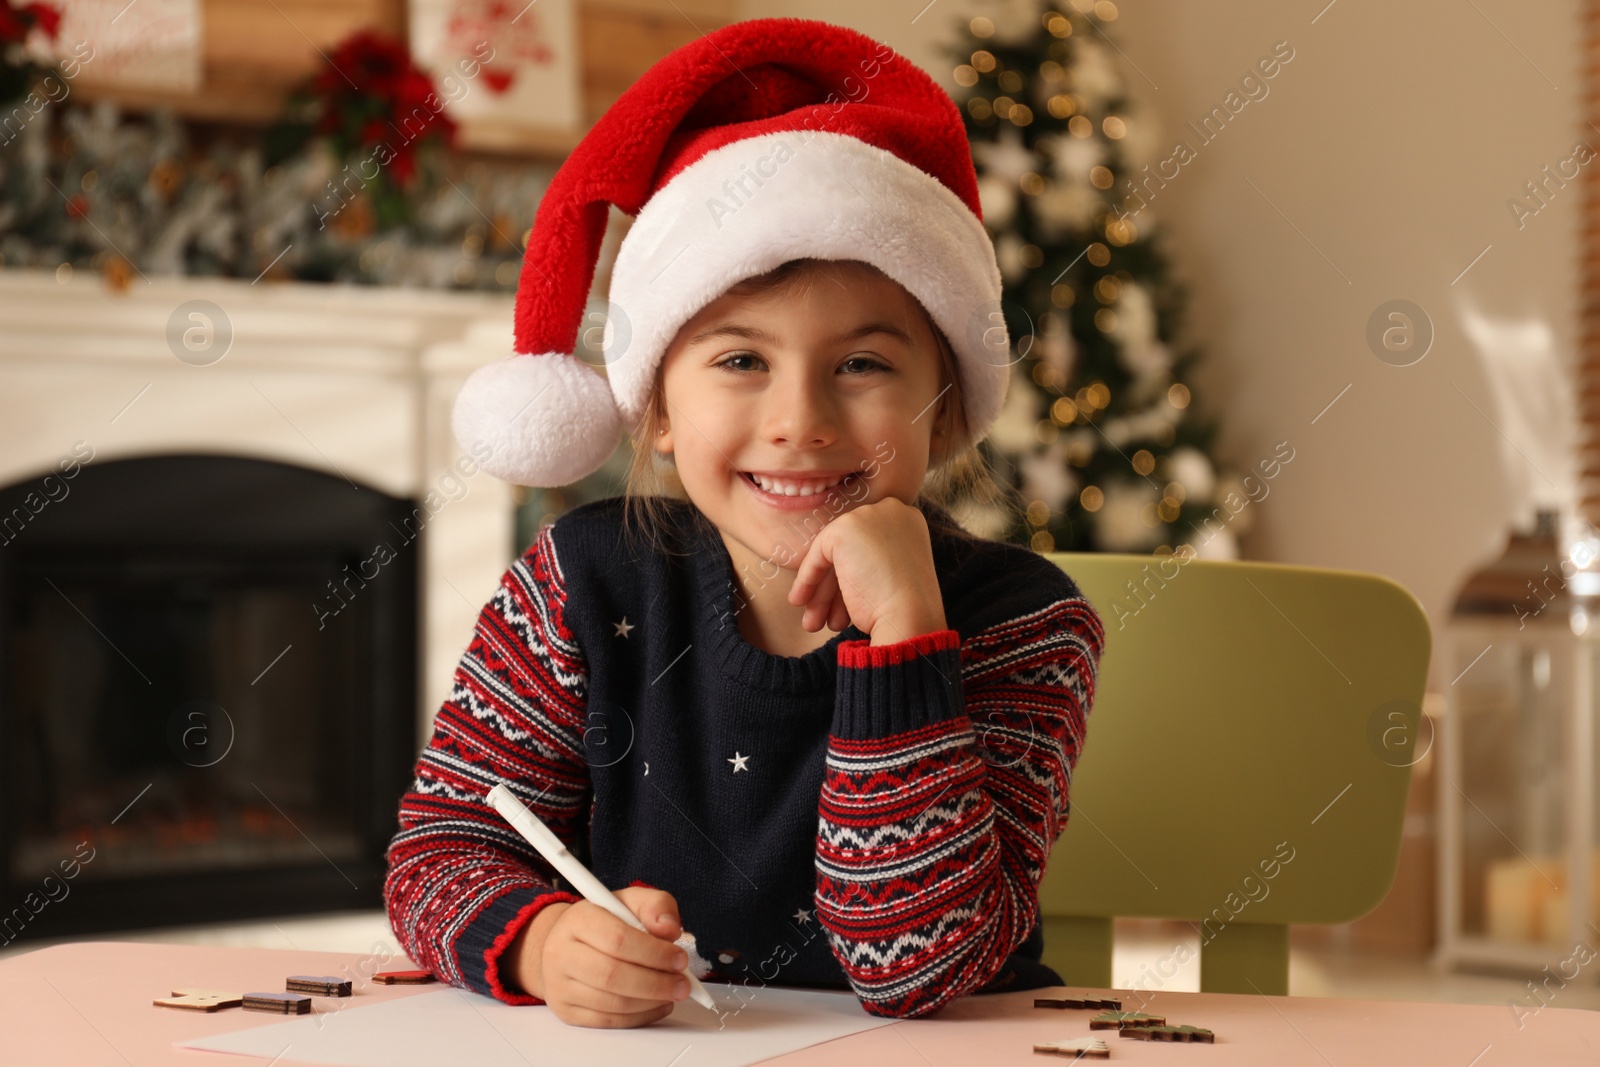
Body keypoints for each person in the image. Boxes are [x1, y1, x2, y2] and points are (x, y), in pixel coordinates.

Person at [383, 17, 1106, 1030]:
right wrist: (547, 944)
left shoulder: (1026, 622)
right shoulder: (579, 582)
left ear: (941, 408)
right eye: (738, 360)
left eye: (862, 364)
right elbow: (441, 847)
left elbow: (913, 968)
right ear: (660, 409)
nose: (799, 422)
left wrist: (903, 630)